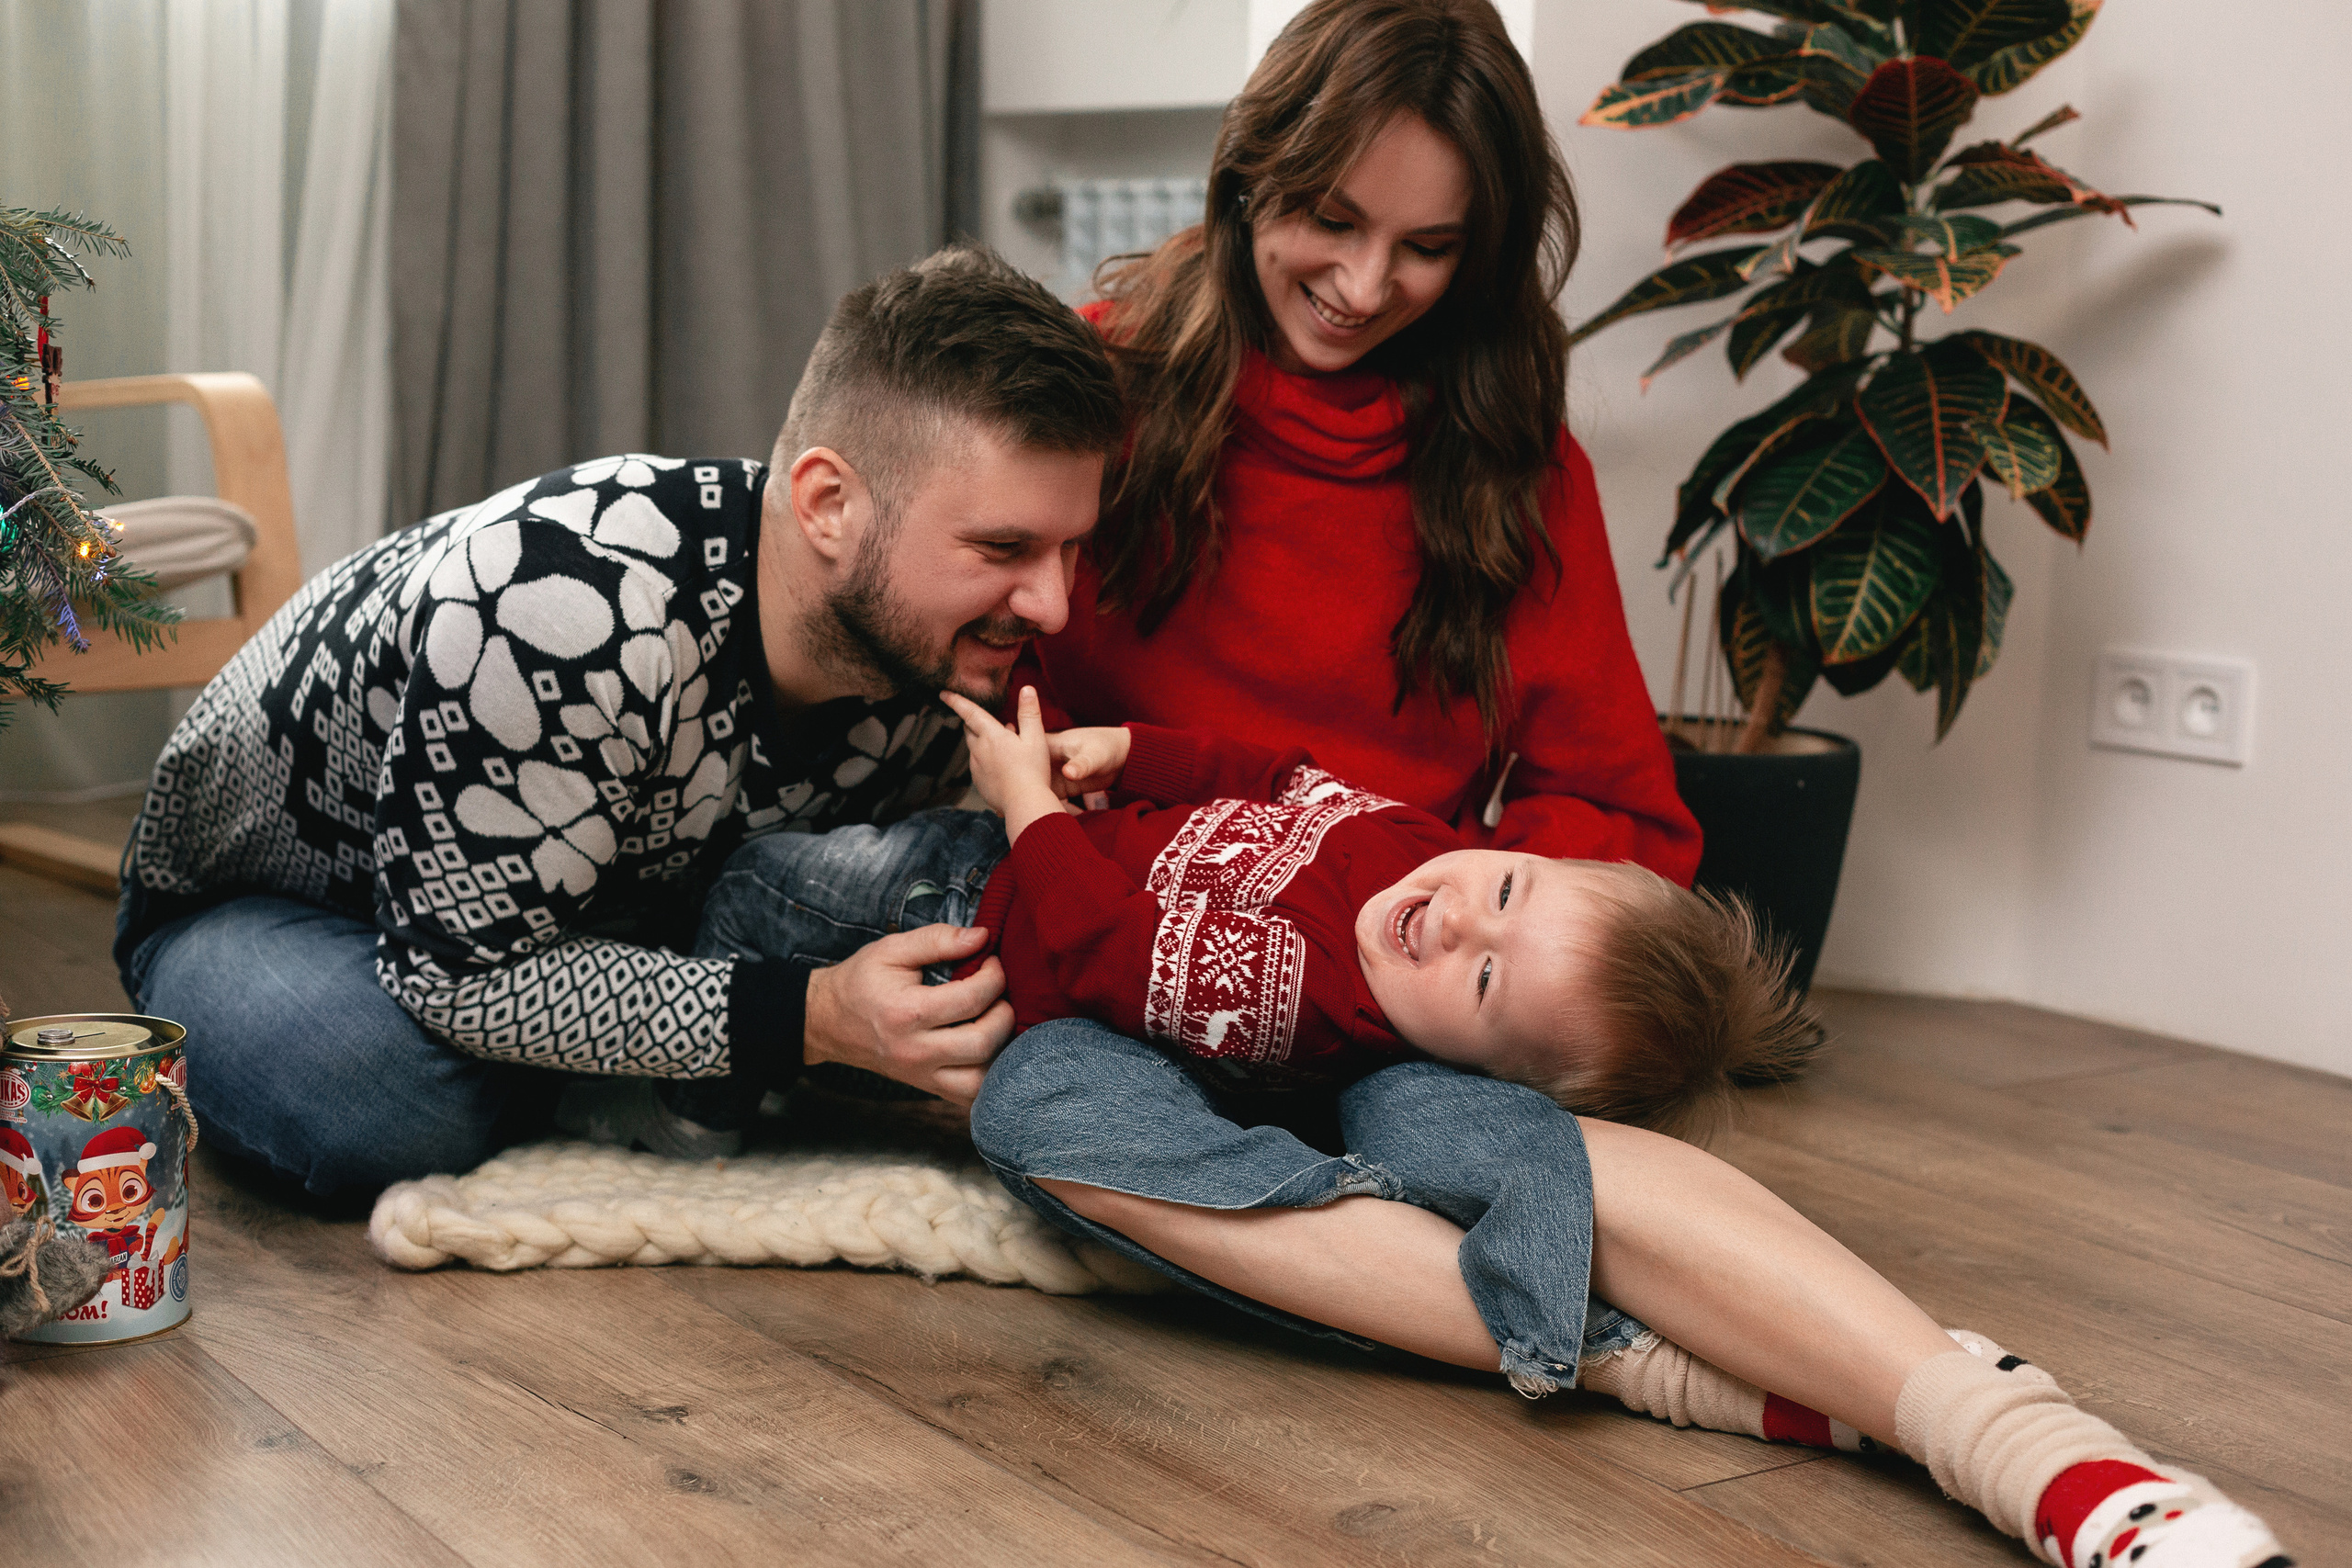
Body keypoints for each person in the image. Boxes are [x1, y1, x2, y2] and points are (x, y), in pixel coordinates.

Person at [947, 4, 2287, 1562]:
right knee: (1043, 1123)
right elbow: (980, 667)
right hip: (1136, 966)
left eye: (1429, 247)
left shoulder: (1509, 460)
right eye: (1327, 218)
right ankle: (1639, 1359)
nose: (1365, 285)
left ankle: (2041, 1455)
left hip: (1404, 984)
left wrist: (1441, 909)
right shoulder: (1093, 386)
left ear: (1490, 250)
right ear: (1250, 175)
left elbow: (1619, 811)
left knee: (1544, 1154)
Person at [112, 245, 1123, 1194]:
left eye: (1069, 550)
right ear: (826, 504)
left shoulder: (933, 646)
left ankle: (635, 1057)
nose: (1053, 606)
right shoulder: (564, 605)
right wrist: (806, 1018)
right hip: (278, 913)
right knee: (391, 1103)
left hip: (592, 912)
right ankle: (630, 1071)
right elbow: (464, 976)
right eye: (1003, 548)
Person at [707, 689, 1813, 1135]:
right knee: (772, 875)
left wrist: (1030, 801)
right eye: (1510, 889)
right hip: (1022, 842)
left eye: (1483, 983)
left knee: (755, 890)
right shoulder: (1428, 847)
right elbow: (1285, 776)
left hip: (969, 923)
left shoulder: (1315, 1007)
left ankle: (696, 1083)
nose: (1458, 922)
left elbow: (1107, 953)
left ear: (1476, 1075)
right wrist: (1139, 752)